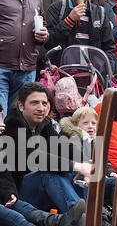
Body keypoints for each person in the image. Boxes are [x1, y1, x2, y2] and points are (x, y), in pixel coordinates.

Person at [4, 82, 90, 217]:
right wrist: (77, 165)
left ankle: (92, 217)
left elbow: (64, 148)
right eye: (34, 103)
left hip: (42, 190)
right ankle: (79, 220)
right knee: (47, 172)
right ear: (21, 106)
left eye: (44, 103)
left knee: (76, 176)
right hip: (18, 195)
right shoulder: (12, 126)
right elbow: (35, 158)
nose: (41, 108)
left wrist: (84, 165)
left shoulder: (45, 124)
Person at [0, 0, 51, 115]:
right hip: (1, 66)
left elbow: (41, 20)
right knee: (1, 121)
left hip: (27, 67)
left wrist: (43, 34)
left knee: (19, 123)